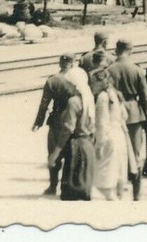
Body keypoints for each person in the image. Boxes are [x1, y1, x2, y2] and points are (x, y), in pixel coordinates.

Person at [106, 39, 147, 200]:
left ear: (116, 50)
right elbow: (145, 96)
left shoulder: (108, 70)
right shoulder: (136, 70)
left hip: (114, 113)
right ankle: (136, 193)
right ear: (130, 51)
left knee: (115, 154)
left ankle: (117, 192)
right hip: (133, 114)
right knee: (136, 154)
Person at [32, 54, 80, 196]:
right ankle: (66, 187)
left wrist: (38, 122)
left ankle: (52, 186)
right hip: (73, 119)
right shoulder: (76, 81)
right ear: (73, 64)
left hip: (56, 120)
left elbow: (44, 104)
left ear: (60, 63)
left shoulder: (52, 80)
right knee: (70, 154)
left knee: (53, 153)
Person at [51, 66, 97, 200]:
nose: (67, 86)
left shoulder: (73, 102)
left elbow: (68, 129)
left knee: (70, 193)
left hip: (75, 147)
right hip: (88, 145)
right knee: (84, 191)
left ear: (73, 84)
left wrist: (55, 153)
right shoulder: (89, 99)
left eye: (68, 83)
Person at [94, 67, 138, 200]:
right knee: (118, 174)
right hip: (120, 137)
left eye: (93, 83)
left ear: (100, 82)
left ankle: (114, 204)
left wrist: (100, 145)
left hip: (108, 138)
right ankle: (119, 202)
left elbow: (102, 123)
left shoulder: (102, 97)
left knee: (103, 181)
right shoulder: (115, 94)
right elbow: (124, 115)